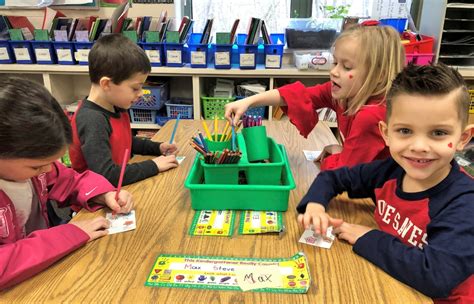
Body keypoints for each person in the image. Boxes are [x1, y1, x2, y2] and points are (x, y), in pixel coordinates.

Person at [297, 63, 474, 303]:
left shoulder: (464, 203)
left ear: (462, 138)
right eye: (405, 131)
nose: (419, 146)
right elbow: (333, 177)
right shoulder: (392, 170)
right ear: (386, 133)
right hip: (392, 282)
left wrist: (367, 237)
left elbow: (436, 275)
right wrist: (315, 204)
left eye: (439, 133)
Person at [0, 78, 134, 289]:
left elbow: (72, 180)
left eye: (51, 162)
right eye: (36, 166)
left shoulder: (36, 167)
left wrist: (105, 195)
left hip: (47, 271)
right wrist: (71, 234)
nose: (46, 170)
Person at [224, 24, 405, 170]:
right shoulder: (345, 95)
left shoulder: (371, 115)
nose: (333, 71)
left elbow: (346, 173)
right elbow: (297, 95)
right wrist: (248, 101)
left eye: (347, 67)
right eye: (335, 62)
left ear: (378, 74)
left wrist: (335, 154)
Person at [69, 34, 179, 187]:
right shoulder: (92, 120)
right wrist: (153, 166)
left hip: (118, 191)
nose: (141, 93)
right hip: (92, 204)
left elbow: (125, 141)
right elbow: (107, 175)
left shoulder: (116, 107)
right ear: (106, 84)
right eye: (135, 88)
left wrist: (157, 147)